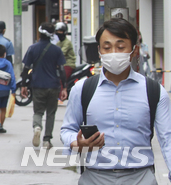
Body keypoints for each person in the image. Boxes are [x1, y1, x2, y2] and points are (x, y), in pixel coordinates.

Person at [60, 18, 171, 184]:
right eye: (107, 47)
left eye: (120, 47)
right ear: (99, 50)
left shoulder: (154, 91)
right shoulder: (82, 90)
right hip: (94, 178)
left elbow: (167, 139)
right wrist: (77, 143)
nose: (113, 52)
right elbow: (67, 129)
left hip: (141, 178)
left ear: (134, 50)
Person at [21, 22, 67, 149]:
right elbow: (62, 70)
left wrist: (23, 85)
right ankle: (47, 140)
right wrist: (65, 87)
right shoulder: (57, 50)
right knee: (51, 113)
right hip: (53, 85)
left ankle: (37, 126)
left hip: (38, 85)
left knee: (38, 111)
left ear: (39, 33)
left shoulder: (32, 49)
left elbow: (26, 68)